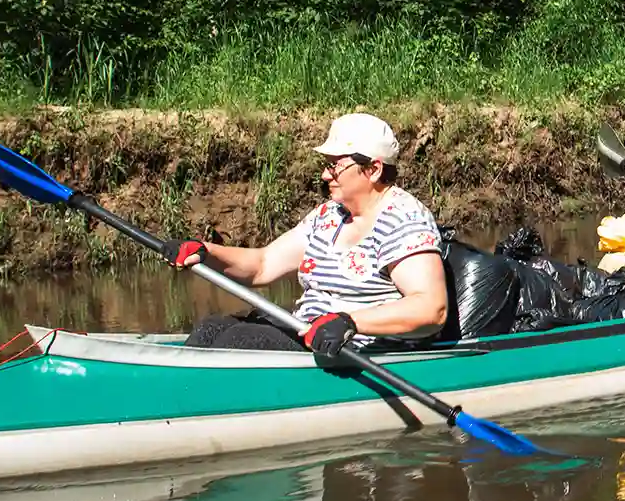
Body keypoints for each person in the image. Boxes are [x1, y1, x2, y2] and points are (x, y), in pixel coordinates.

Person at [169, 112, 446, 356]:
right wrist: (205, 251)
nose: (326, 175)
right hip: (311, 333)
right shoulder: (330, 214)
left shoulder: (404, 219)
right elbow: (262, 266)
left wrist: (350, 322)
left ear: (373, 169)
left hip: (357, 348)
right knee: (211, 328)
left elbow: (431, 308)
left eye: (335, 165)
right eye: (326, 164)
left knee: (240, 340)